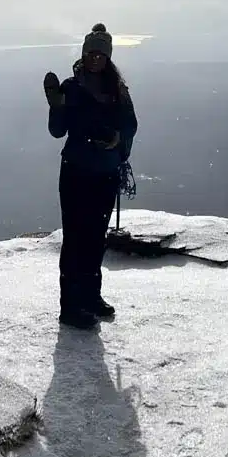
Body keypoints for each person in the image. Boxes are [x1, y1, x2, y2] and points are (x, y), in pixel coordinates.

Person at [43, 22, 138, 330]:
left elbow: (130, 125)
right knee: (75, 239)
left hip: (105, 173)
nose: (96, 58)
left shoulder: (117, 91)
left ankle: (90, 297)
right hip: (76, 171)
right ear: (83, 54)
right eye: (91, 52)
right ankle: (71, 307)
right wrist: (56, 107)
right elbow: (57, 131)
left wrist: (116, 141)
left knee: (95, 238)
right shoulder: (71, 88)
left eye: (101, 53)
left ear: (108, 57)